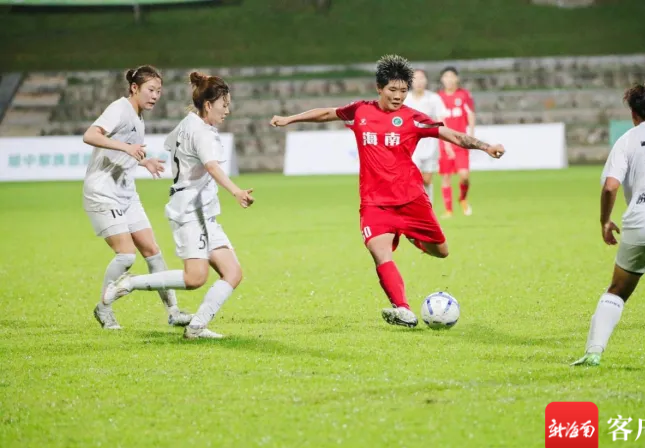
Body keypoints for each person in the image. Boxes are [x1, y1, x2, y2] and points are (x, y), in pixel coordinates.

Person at [270, 55, 505, 328]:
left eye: (403, 91)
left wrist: (485, 146)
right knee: (379, 251)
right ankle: (402, 309)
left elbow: (451, 134)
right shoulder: (360, 111)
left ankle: (408, 235)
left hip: (412, 199)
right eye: (392, 90)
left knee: (441, 251)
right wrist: (290, 119)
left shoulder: (413, 119)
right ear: (379, 88)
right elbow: (326, 113)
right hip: (374, 203)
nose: (398, 96)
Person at [101, 71, 255, 340]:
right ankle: (131, 282)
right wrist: (235, 191)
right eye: (224, 104)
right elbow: (210, 165)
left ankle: (195, 328)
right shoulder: (202, 132)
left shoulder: (188, 123)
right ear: (208, 105)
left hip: (201, 209)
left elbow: (172, 145)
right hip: (191, 210)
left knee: (233, 272)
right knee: (195, 278)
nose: (227, 110)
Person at [572, 82, 645, 366]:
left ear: (633, 113)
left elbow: (611, 186)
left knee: (618, 290)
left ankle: (594, 352)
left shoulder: (627, 139)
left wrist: (604, 221)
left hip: (643, 220)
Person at [83, 65, 192, 330]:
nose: (155, 96)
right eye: (150, 90)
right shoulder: (119, 108)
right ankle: (104, 308)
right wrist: (128, 148)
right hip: (103, 192)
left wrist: (144, 162)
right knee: (126, 256)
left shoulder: (138, 116)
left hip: (126, 193)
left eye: (159, 91)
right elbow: (90, 135)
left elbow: (124, 152)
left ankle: (174, 311)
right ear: (134, 88)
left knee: (153, 251)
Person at [404, 69, 446, 204]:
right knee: (413, 177)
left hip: (430, 144)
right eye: (415, 79)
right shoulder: (405, 98)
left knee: (427, 180)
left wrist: (446, 140)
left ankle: (428, 206)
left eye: (422, 78)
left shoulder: (434, 98)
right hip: (411, 144)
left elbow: (441, 120)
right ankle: (414, 206)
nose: (419, 82)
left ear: (426, 81)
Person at [438, 67, 476, 217]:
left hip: (461, 141)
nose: (449, 79)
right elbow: (439, 119)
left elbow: (471, 114)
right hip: (444, 141)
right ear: (442, 80)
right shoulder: (438, 98)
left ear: (457, 79)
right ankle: (448, 210)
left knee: (464, 176)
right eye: (446, 77)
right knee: (446, 176)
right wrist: (446, 143)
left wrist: (471, 136)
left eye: (451, 76)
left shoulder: (464, 95)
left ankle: (462, 198)